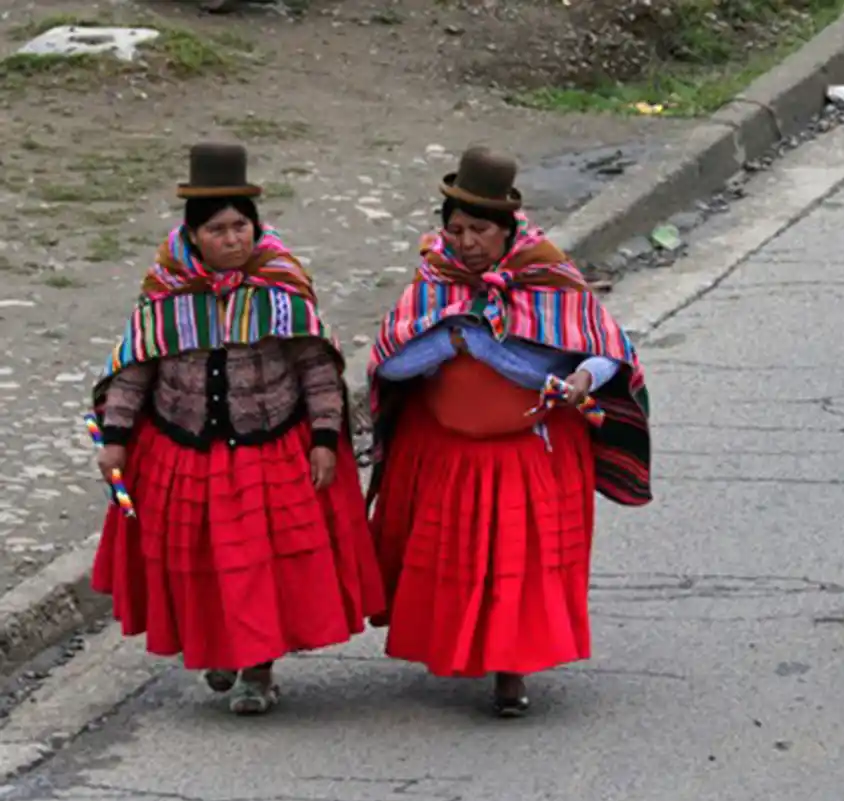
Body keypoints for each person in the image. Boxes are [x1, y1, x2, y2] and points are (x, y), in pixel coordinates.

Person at [90, 142, 385, 714]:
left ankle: (256, 669)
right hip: (187, 451)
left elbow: (317, 370)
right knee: (202, 564)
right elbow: (135, 372)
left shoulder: (280, 284)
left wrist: (325, 438)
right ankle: (219, 648)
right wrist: (114, 438)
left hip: (267, 450)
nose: (234, 240)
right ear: (194, 236)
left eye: (242, 226)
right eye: (219, 230)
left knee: (258, 566)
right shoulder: (164, 294)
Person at [366, 146, 651, 718]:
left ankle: (510, 674)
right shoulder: (434, 281)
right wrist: (453, 338)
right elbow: (389, 363)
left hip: (528, 453)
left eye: (479, 230)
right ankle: (462, 650)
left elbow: (609, 352)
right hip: (447, 454)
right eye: (455, 229)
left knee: (513, 568)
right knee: (460, 565)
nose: (465, 242)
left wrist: (579, 376)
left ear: (507, 230)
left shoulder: (547, 275)